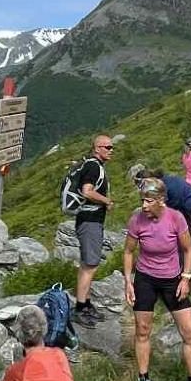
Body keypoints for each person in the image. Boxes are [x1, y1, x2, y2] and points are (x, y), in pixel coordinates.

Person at [122, 176, 191, 381]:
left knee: (190, 332)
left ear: (161, 200)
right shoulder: (137, 220)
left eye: (149, 201)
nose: (144, 206)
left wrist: (186, 277)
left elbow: (188, 249)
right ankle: (143, 379)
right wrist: (128, 282)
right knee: (142, 329)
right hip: (145, 279)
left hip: (172, 280)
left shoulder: (176, 218)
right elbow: (129, 251)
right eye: (142, 200)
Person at [71, 135, 115, 327]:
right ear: (97, 148)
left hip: (88, 221)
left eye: (112, 147)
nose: (111, 150)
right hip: (90, 222)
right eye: (108, 147)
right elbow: (87, 191)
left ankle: (86, 304)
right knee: (91, 265)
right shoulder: (94, 166)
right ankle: (80, 309)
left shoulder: (93, 165)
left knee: (87, 264)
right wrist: (106, 201)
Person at [131, 165, 191, 259]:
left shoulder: (165, 186)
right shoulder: (166, 181)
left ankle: (184, 272)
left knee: (186, 246)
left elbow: (168, 209)